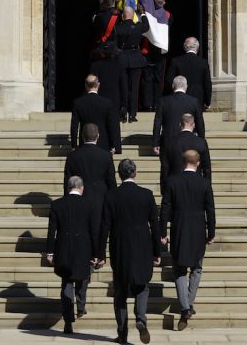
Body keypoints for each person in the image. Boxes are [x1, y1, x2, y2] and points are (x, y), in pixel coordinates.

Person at [97, 159, 160, 344]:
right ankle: (140, 318)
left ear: (119, 174)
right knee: (142, 286)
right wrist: (157, 252)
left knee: (120, 292)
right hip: (143, 248)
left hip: (120, 248)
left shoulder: (111, 195)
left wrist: (100, 254)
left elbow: (104, 227)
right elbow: (155, 227)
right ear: (135, 173)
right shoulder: (146, 195)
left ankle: (122, 333)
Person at [159, 150, 215, 331]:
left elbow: (165, 209)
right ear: (198, 163)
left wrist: (162, 232)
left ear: (183, 162)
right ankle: (187, 306)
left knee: (179, 269)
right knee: (197, 268)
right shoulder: (204, 182)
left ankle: (185, 307)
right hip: (198, 229)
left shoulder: (173, 181)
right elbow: (210, 210)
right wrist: (211, 232)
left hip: (179, 228)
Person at [46, 176, 100, 334]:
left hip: (64, 249)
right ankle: (81, 307)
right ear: (81, 188)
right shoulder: (90, 204)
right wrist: (97, 253)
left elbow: (51, 231)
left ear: (69, 187)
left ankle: (68, 319)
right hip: (84, 249)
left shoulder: (57, 204)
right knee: (83, 279)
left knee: (66, 283)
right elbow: (94, 232)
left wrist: (50, 251)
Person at [153, 76, 205, 189]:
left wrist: (156, 143)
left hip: (168, 142)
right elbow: (200, 123)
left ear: (173, 86)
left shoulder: (163, 101)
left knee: (167, 169)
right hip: (189, 142)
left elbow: (157, 122)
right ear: (186, 87)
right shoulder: (194, 101)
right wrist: (201, 140)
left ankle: (167, 193)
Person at [70, 74, 121, 154]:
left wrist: (74, 145)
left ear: (85, 86)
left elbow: (74, 126)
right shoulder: (107, 103)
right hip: (103, 143)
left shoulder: (78, 103)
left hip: (84, 142)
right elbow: (111, 125)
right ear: (98, 85)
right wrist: (112, 145)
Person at [64, 123, 116, 201]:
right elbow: (111, 180)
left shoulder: (72, 156)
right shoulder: (106, 155)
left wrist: (67, 199)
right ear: (98, 136)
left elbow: (68, 180)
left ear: (82, 136)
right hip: (101, 197)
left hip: (79, 197)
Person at [115, 4, 149, 122]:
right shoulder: (138, 26)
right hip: (136, 59)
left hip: (122, 59)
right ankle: (133, 114)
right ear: (133, 15)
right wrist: (142, 13)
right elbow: (147, 26)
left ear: (123, 16)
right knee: (134, 88)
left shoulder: (117, 27)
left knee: (123, 87)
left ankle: (123, 112)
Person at [140, 0, 170, 112]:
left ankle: (148, 104)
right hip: (157, 52)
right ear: (164, 3)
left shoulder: (149, 16)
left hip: (149, 51)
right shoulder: (168, 15)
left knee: (147, 79)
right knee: (158, 79)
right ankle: (156, 104)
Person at [166, 37, 212, 111]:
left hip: (179, 99)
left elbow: (169, 81)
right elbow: (207, 83)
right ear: (197, 47)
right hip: (198, 99)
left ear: (185, 47)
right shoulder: (203, 63)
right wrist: (207, 101)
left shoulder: (176, 61)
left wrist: (172, 96)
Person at [165, 113, 211, 182]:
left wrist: (165, 187)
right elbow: (206, 167)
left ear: (180, 124)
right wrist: (207, 185)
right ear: (194, 125)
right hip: (196, 182)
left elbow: (165, 167)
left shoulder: (171, 142)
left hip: (175, 183)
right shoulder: (201, 142)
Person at [90, 42, 127, 120]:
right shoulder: (119, 66)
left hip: (99, 99)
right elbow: (124, 86)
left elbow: (91, 84)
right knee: (114, 126)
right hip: (115, 100)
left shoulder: (95, 66)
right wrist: (124, 104)